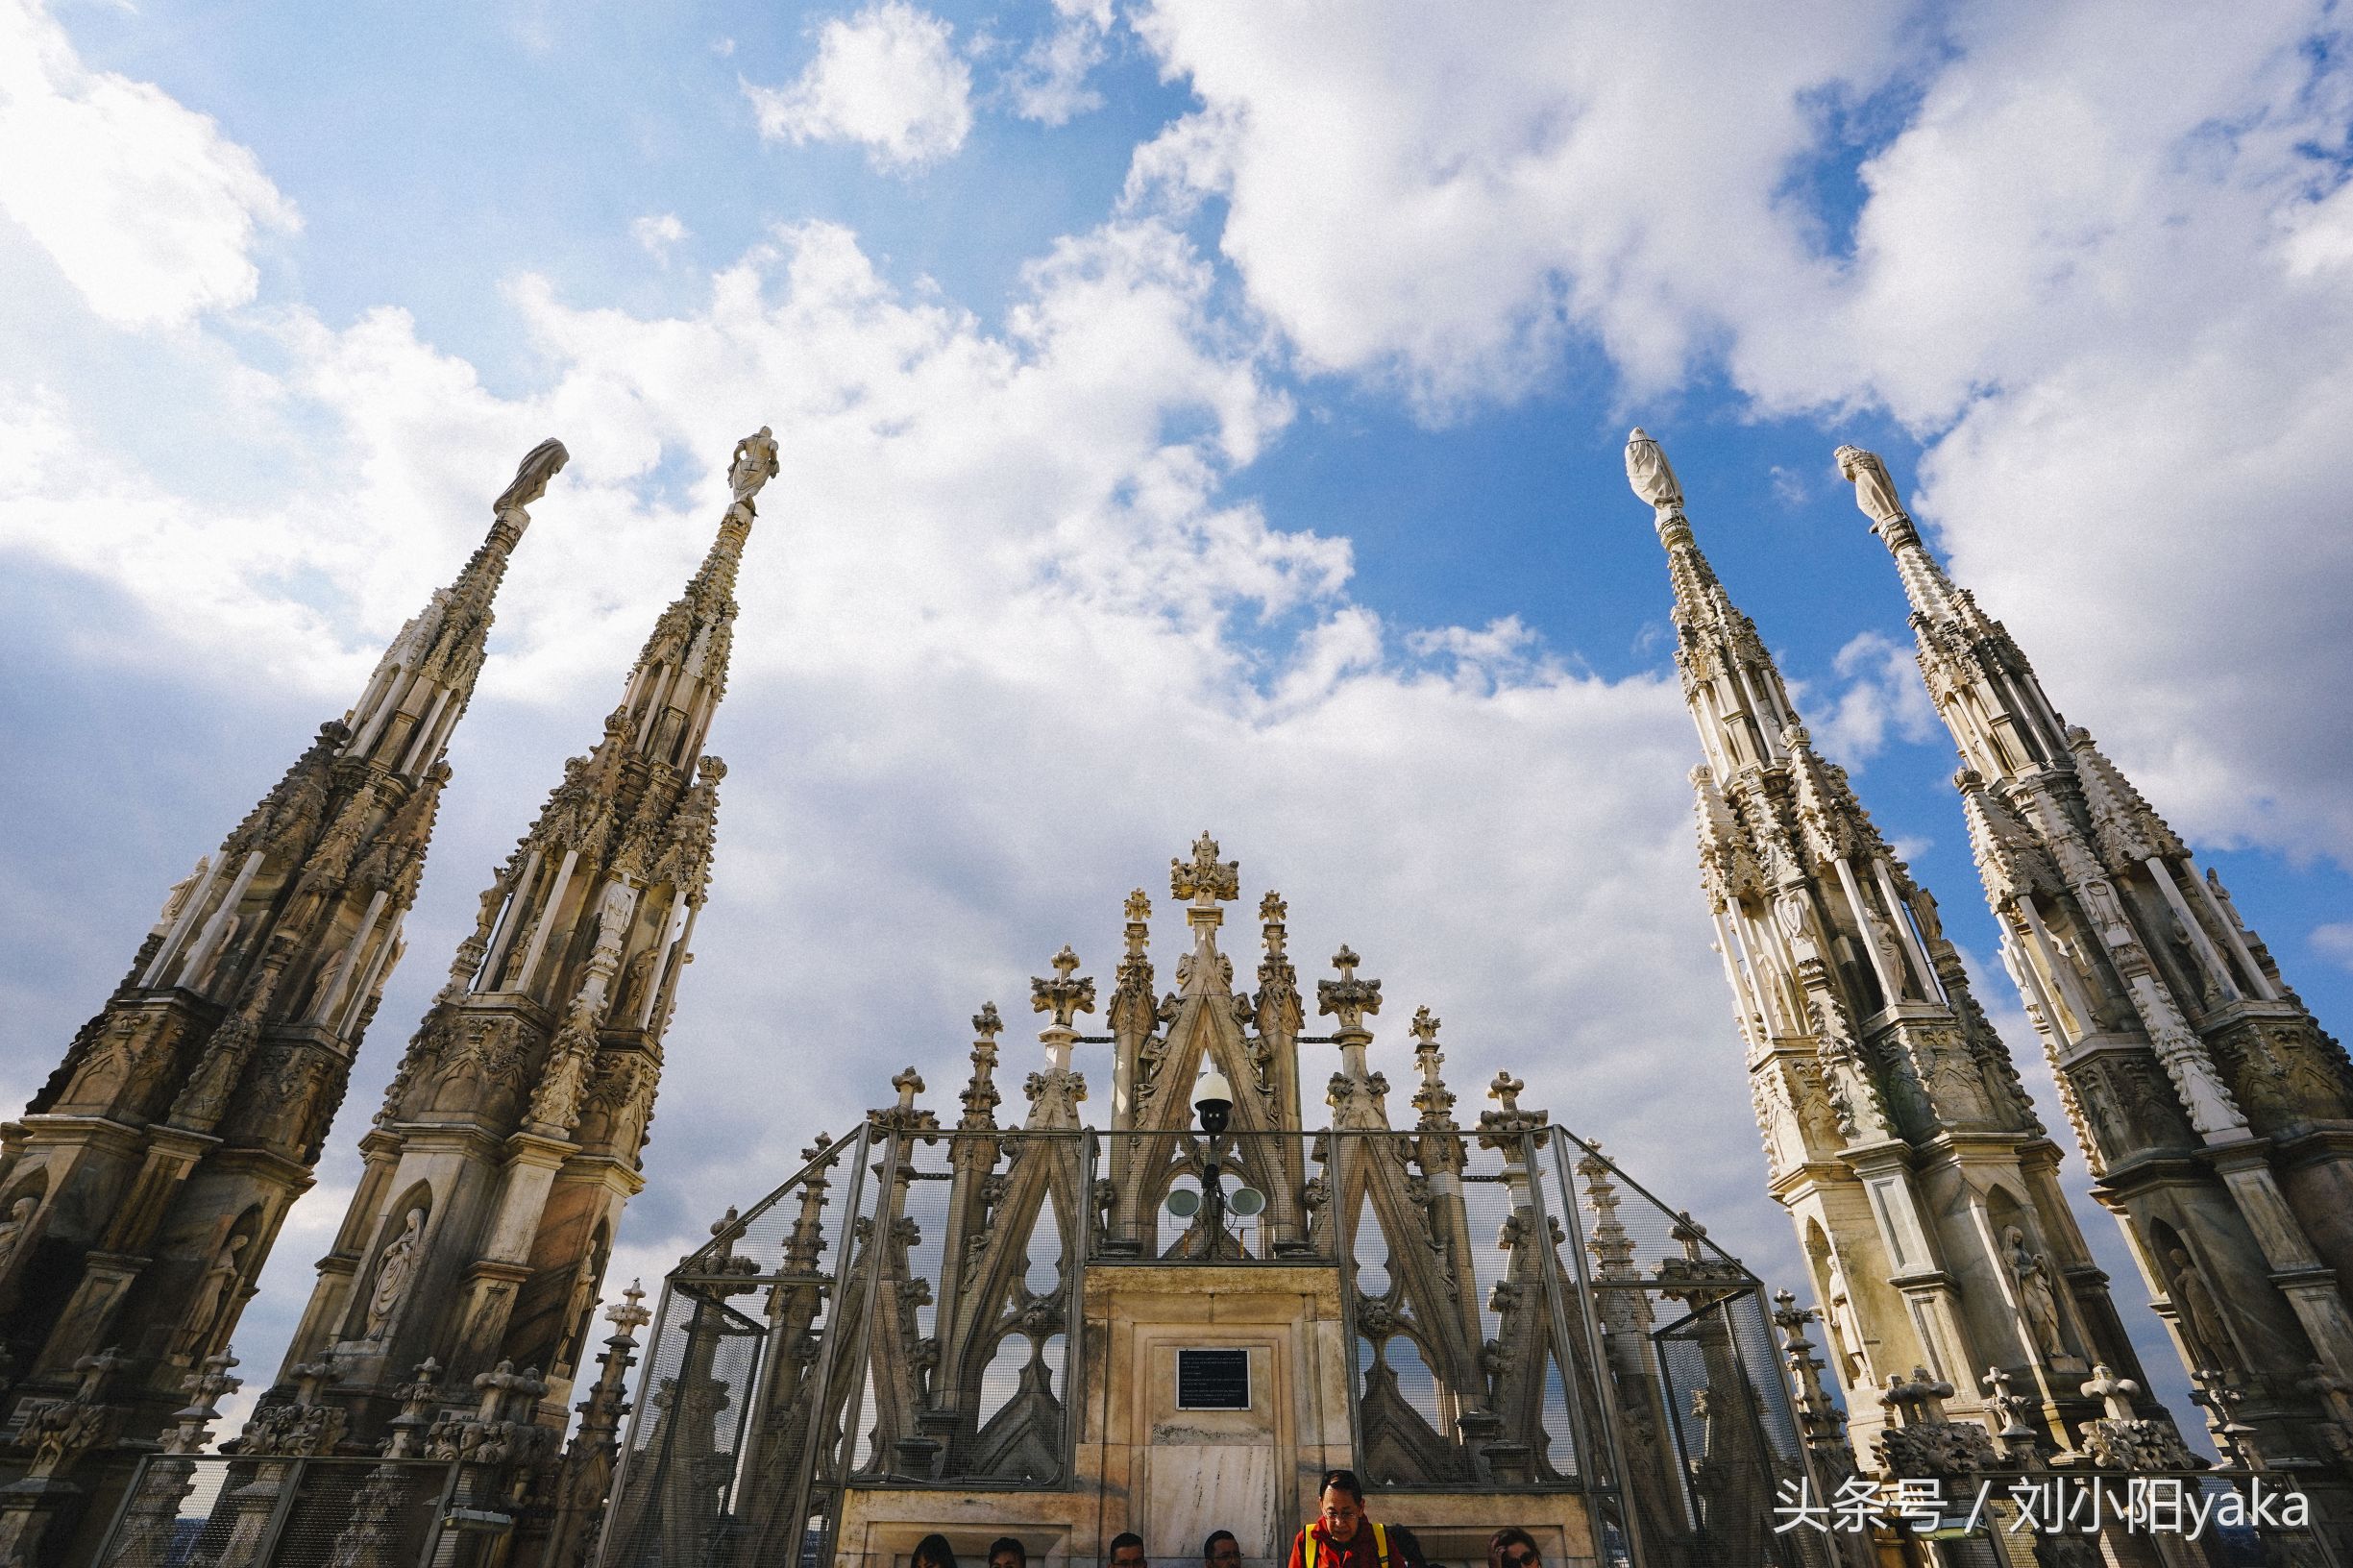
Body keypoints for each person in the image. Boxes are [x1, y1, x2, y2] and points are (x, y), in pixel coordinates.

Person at [1287, 1469, 1425, 1568]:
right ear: (1321, 1506)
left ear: (1361, 1508)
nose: (1339, 1523)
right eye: (1332, 1514)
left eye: (1347, 1514)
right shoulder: (1307, 1541)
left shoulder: (1379, 1540)